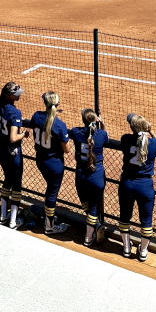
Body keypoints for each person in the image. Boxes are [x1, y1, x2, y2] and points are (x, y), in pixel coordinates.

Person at [119, 113, 156, 260]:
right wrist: (151, 131)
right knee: (146, 221)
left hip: (127, 183)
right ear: (145, 127)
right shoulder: (152, 144)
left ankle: (126, 247)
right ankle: (143, 251)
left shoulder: (125, 139)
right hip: (145, 186)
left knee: (125, 217)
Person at [24, 91, 71, 234]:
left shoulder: (36, 116)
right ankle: (49, 226)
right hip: (54, 165)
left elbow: (34, 125)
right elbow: (67, 150)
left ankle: (49, 217)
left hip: (40, 160)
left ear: (45, 103)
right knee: (51, 194)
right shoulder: (60, 125)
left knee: (49, 191)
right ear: (57, 104)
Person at [69, 108, 108, 247]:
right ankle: (88, 236)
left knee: (85, 202)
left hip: (80, 175)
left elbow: (79, 132)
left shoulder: (75, 132)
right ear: (95, 121)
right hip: (96, 176)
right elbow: (105, 135)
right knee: (93, 208)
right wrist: (101, 123)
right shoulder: (101, 134)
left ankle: (96, 225)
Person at [0, 82, 27, 229]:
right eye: (16, 93)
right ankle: (13, 221)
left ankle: (2, 216)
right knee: (17, 184)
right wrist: (24, 134)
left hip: (0, 149)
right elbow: (13, 138)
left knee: (7, 180)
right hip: (12, 153)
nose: (18, 95)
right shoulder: (14, 112)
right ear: (8, 95)